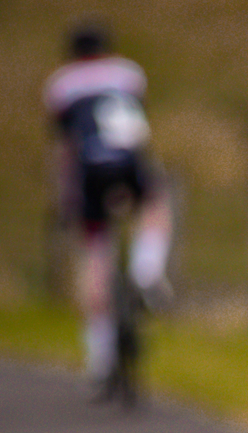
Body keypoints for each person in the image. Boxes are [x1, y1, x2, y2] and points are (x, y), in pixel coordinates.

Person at [42, 19, 173, 390]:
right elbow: (136, 127)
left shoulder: (60, 84)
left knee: (95, 251)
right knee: (155, 205)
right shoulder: (129, 74)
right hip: (128, 162)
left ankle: (99, 357)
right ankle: (147, 270)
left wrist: (65, 194)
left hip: (88, 169)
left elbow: (64, 145)